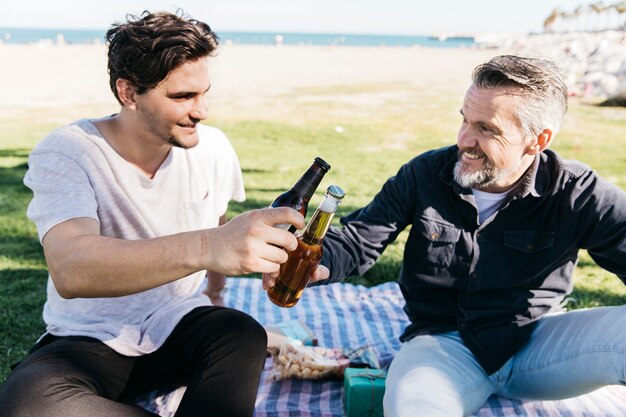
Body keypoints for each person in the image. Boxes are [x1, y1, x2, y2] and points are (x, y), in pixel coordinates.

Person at [264, 55, 626, 416]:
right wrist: (313, 262)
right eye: (465, 120)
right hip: (442, 348)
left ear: (537, 140)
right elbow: (360, 239)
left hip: (538, 343)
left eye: (487, 129)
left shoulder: (578, 191)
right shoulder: (424, 173)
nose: (464, 139)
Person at [0, 11, 305, 417]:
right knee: (24, 404)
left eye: (204, 93)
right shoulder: (69, 150)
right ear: (128, 92)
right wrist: (208, 246)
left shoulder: (212, 148)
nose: (202, 111)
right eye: (182, 97)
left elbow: (217, 224)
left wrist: (215, 295)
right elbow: (71, 269)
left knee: (242, 332)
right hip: (89, 339)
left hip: (178, 323)